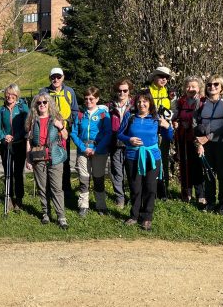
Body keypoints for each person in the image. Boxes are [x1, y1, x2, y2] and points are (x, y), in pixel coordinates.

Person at [118, 91, 173, 230]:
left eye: (145, 101)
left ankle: (147, 217)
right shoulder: (130, 117)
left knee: (150, 187)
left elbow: (169, 136)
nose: (141, 104)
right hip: (133, 157)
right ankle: (134, 215)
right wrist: (128, 139)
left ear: (150, 103)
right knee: (135, 187)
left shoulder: (156, 118)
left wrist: (167, 126)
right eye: (139, 102)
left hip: (152, 158)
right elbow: (119, 134)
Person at [25, 94, 69, 229]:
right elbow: (28, 141)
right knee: (42, 188)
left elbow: (66, 136)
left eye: (45, 102)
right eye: (39, 103)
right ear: (36, 106)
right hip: (38, 157)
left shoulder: (56, 119)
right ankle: (45, 213)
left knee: (56, 188)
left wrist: (60, 127)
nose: (42, 105)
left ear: (49, 104)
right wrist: (28, 159)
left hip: (55, 157)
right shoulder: (32, 120)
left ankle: (61, 216)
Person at [194, 75, 223, 214]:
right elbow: (196, 123)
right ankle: (210, 202)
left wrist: (208, 137)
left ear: (221, 87)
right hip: (205, 144)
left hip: (222, 143)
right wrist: (199, 142)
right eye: (209, 84)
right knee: (208, 173)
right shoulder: (201, 102)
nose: (212, 87)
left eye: (216, 84)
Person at [71, 86, 112, 216]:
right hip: (83, 150)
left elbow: (108, 133)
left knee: (98, 178)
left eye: (91, 99)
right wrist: (83, 148)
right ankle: (83, 205)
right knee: (84, 178)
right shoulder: (80, 114)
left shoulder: (103, 115)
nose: (88, 101)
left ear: (97, 99)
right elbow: (73, 133)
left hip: (99, 150)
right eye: (86, 98)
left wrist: (96, 149)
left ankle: (101, 205)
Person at [39, 67, 79, 199]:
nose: (55, 79)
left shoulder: (69, 91)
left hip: (64, 131)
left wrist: (71, 127)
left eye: (58, 77)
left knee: (64, 159)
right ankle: (50, 190)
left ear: (63, 77)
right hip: (48, 130)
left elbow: (74, 110)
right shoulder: (44, 92)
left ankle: (65, 189)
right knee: (49, 159)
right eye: (53, 77)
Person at [0, 84, 29, 211]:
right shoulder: (1, 110)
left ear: (17, 95)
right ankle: (8, 197)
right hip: (6, 145)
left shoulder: (22, 108)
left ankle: (19, 198)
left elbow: (26, 125)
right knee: (8, 172)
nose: (10, 96)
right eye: (8, 94)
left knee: (18, 172)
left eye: (13, 94)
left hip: (19, 143)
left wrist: (15, 136)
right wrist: (4, 137)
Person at [172, 76, 205, 204]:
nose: (190, 89)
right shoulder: (181, 102)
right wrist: (177, 122)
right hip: (183, 137)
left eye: (193, 87)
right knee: (184, 165)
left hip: (197, 138)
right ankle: (186, 193)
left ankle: (201, 194)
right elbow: (175, 116)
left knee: (198, 165)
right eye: (188, 86)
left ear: (199, 88)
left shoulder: (203, 101)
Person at [146, 66, 174, 200]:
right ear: (154, 77)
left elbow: (172, 113)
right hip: (149, 132)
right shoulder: (147, 92)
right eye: (161, 76)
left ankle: (163, 191)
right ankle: (149, 190)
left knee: (163, 160)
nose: (164, 79)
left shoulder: (169, 94)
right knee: (148, 161)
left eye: (166, 77)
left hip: (163, 132)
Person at [107, 79, 134, 209]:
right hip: (115, 143)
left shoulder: (136, 105)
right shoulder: (110, 106)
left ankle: (135, 198)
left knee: (132, 173)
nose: (122, 93)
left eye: (125, 90)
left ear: (129, 91)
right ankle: (120, 199)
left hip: (131, 143)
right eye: (119, 90)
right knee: (117, 173)